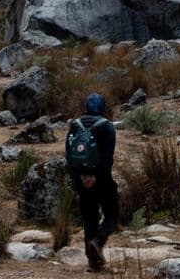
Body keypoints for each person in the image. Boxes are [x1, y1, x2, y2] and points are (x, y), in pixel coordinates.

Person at [65, 93, 118, 273]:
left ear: (86, 107)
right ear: (103, 108)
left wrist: (81, 176)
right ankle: (99, 241)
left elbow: (69, 155)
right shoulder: (107, 127)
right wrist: (95, 176)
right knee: (112, 214)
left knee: (89, 219)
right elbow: (108, 157)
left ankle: (92, 264)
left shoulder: (75, 125)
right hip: (102, 180)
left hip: (81, 181)